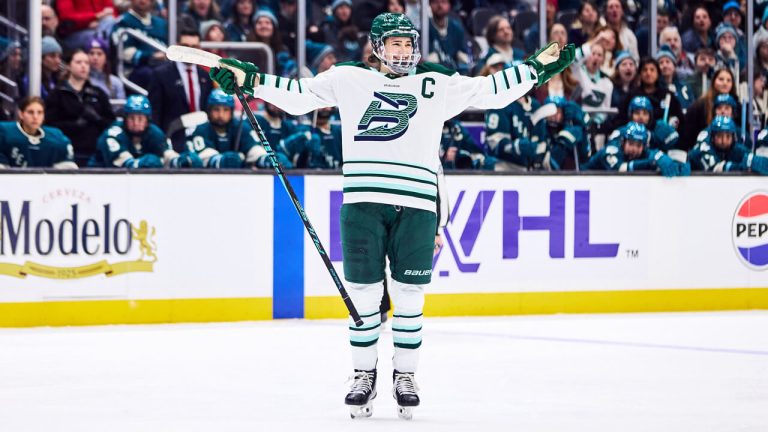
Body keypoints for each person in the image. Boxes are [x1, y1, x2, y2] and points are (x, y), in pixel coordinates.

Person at [208, 12, 574, 419]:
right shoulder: (348, 78)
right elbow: (299, 95)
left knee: (409, 296)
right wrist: (251, 81)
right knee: (364, 297)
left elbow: (489, 90)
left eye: (408, 43)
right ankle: (363, 375)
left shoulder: (437, 83)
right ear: (377, 47)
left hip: (417, 205)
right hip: (363, 201)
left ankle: (406, 375)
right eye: (395, 44)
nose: (403, 51)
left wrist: (534, 71)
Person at [45, 49, 115, 165]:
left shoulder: (98, 93)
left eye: (86, 63)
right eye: (78, 62)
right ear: (69, 66)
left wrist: (97, 119)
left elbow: (111, 124)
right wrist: (74, 125)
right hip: (66, 152)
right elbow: (49, 125)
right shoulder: (57, 94)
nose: (83, 66)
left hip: (94, 153)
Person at [91, 95, 201, 168]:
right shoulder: (113, 134)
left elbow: (167, 155)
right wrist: (147, 163)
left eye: (140, 119)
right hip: (98, 180)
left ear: (147, 120)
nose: (136, 123)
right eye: (131, 118)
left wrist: (179, 161)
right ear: (125, 119)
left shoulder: (154, 132)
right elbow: (125, 166)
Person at [149, 28, 214, 150]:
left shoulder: (206, 75)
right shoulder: (160, 74)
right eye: (186, 46)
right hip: (173, 138)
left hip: (203, 138)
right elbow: (155, 113)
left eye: (194, 47)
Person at [186, 89, 276, 168]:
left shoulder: (242, 127)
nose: (221, 115)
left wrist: (264, 159)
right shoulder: (201, 129)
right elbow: (202, 156)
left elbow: (253, 149)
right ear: (209, 111)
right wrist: (220, 160)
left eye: (225, 110)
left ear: (231, 111)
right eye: (216, 109)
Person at [581, 121, 686, 176]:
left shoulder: (643, 151)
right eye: (631, 143)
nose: (634, 149)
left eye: (638, 145)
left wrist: (663, 158)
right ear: (623, 142)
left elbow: (653, 155)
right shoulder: (611, 150)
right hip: (584, 182)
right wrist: (651, 162)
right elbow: (620, 169)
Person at [0, 96, 77, 169]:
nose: (35, 117)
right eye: (30, 112)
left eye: (40, 112)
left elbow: (68, 168)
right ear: (21, 114)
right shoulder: (4, 132)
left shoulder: (57, 137)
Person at [689, 116, 768, 174]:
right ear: (712, 137)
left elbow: (753, 161)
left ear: (733, 137)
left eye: (728, 136)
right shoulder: (703, 150)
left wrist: (752, 162)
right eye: (719, 136)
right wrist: (744, 166)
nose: (724, 141)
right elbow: (717, 169)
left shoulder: (738, 149)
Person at [85, 36, 126, 102]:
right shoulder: (81, 80)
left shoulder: (116, 83)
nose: (95, 57)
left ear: (106, 58)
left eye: (99, 54)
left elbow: (120, 109)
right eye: (91, 53)